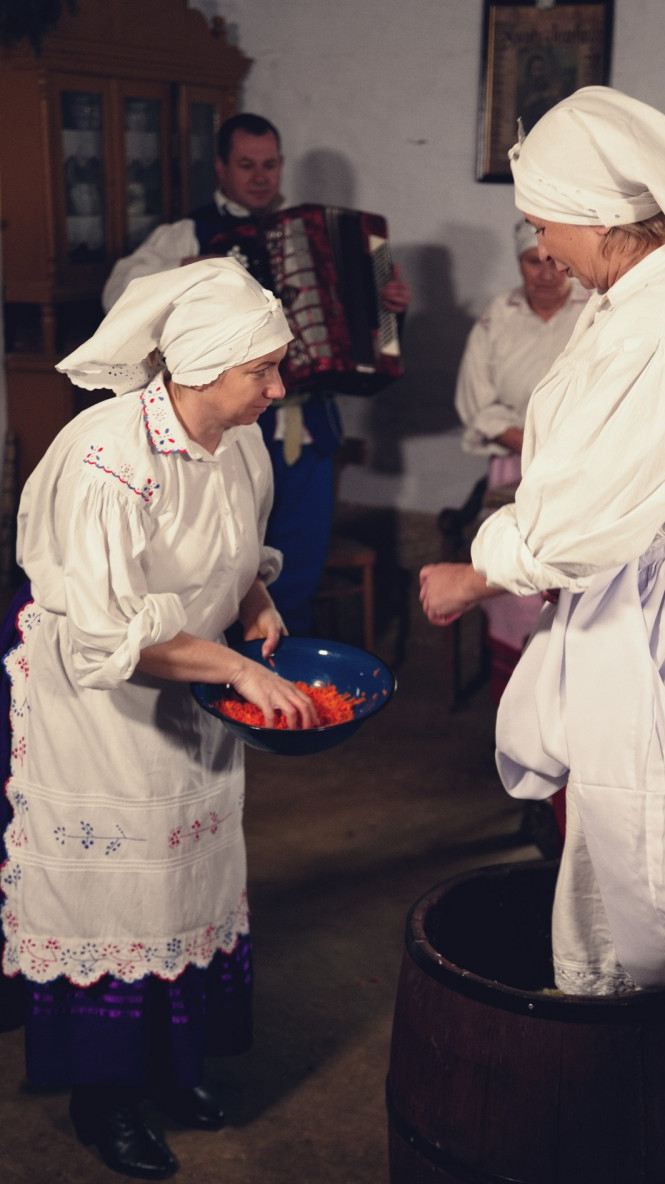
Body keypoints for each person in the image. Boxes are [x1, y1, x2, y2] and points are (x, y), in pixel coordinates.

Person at [419, 86, 665, 998]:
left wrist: (476, 573)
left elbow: (585, 513)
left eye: (543, 224)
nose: (542, 248)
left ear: (598, 217)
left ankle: (626, 1015)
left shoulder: (659, 329)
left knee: (648, 833)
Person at [0, 257, 319, 1180]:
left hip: (191, 686)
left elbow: (231, 547)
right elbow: (108, 634)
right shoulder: (109, 460)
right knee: (118, 893)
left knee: (186, 880)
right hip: (99, 706)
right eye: (262, 370)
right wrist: (236, 667)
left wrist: (253, 596)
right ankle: (106, 1100)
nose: (278, 388)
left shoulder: (238, 439)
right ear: (200, 370)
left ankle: (172, 1070)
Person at [103, 112, 412, 636]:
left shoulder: (312, 230)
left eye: (269, 165)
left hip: (309, 425)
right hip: (227, 424)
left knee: (299, 567)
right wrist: (185, 270)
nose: (260, 177)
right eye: (246, 165)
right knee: (225, 561)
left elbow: (359, 323)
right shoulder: (186, 232)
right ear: (221, 168)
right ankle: (226, 667)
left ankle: (286, 666)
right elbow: (118, 293)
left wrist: (388, 307)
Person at [454, 218, 587, 704]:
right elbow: (478, 402)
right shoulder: (499, 316)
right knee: (513, 576)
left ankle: (564, 703)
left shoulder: (595, 310)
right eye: (533, 262)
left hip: (583, 467)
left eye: (553, 261)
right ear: (519, 263)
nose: (546, 273)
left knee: (568, 578)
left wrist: (566, 450)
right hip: (515, 465)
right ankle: (513, 703)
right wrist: (533, 446)